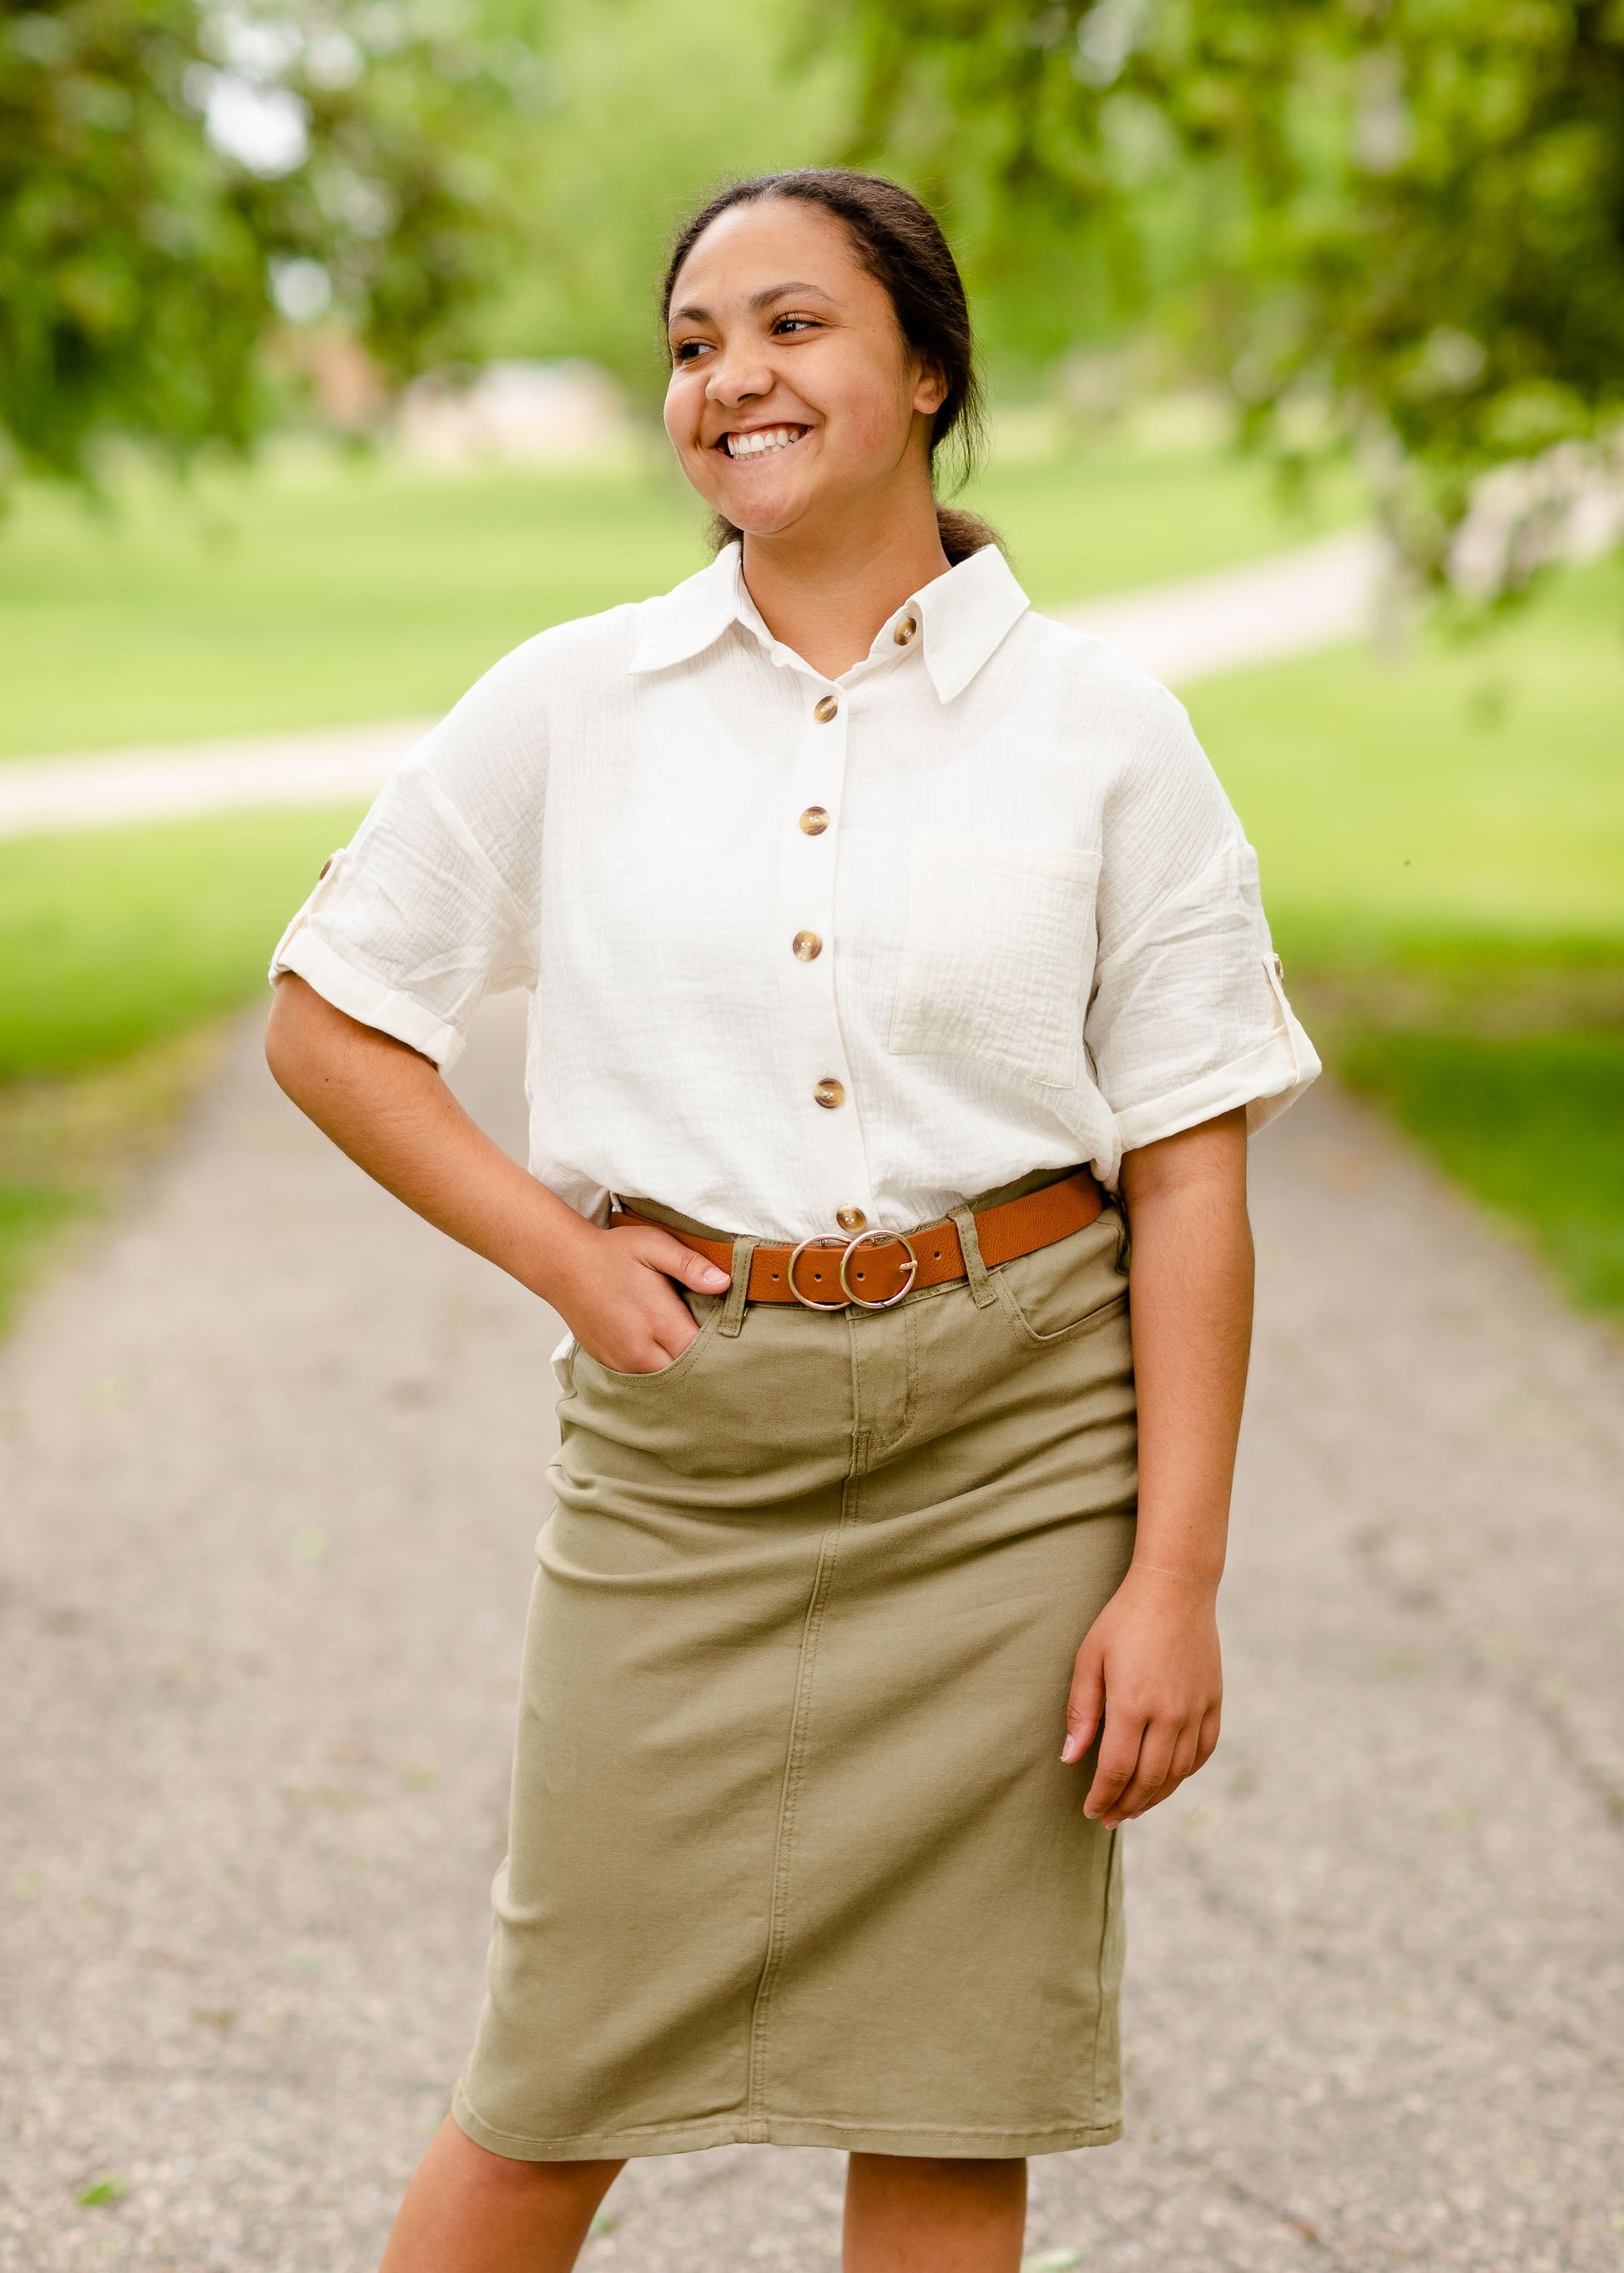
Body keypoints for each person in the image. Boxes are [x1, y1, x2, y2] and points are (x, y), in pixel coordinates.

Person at [265, 167, 1319, 2273]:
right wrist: (565, 1255)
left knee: (950, 2098)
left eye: (788, 325)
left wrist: (1173, 1577)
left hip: (1015, 1463)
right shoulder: (572, 704)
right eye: (690, 342)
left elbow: (1189, 1168)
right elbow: (328, 1020)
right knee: (551, 2080)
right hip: (683, 1478)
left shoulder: (1105, 732)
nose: (731, 376)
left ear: (926, 371)